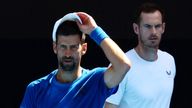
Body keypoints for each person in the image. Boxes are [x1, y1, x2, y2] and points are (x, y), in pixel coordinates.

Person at [20, 12, 131, 108]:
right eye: (63, 46)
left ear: (84, 48)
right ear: (55, 48)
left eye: (73, 47)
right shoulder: (35, 89)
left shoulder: (96, 80)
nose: (68, 53)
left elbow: (123, 65)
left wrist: (94, 30)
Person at [104, 2, 176, 108]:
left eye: (157, 26)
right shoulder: (120, 66)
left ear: (163, 28)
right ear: (136, 29)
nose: (154, 32)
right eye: (148, 26)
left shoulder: (169, 61)